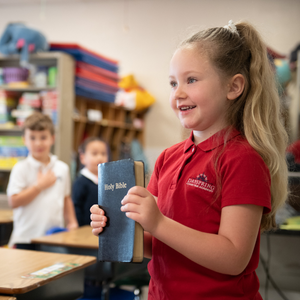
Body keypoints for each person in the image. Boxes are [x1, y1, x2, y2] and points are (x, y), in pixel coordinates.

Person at [90, 20, 288, 299]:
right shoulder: (167, 159)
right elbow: (158, 245)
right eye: (173, 83)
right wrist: (117, 228)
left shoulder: (243, 160)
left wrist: (158, 223)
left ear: (234, 87)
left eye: (191, 80)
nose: (178, 93)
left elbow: (233, 257)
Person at [7, 111, 78, 249]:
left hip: (54, 237)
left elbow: (66, 198)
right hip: (25, 238)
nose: (38, 143)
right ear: (24, 140)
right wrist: (39, 186)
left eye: (43, 137)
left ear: (52, 138)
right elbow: (13, 201)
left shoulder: (62, 168)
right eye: (32, 138)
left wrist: (73, 222)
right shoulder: (20, 168)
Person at [72, 137, 109, 226]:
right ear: (82, 158)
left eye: (103, 153)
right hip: (86, 229)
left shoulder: (107, 181)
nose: (100, 157)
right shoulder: (80, 182)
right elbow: (76, 208)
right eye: (94, 154)